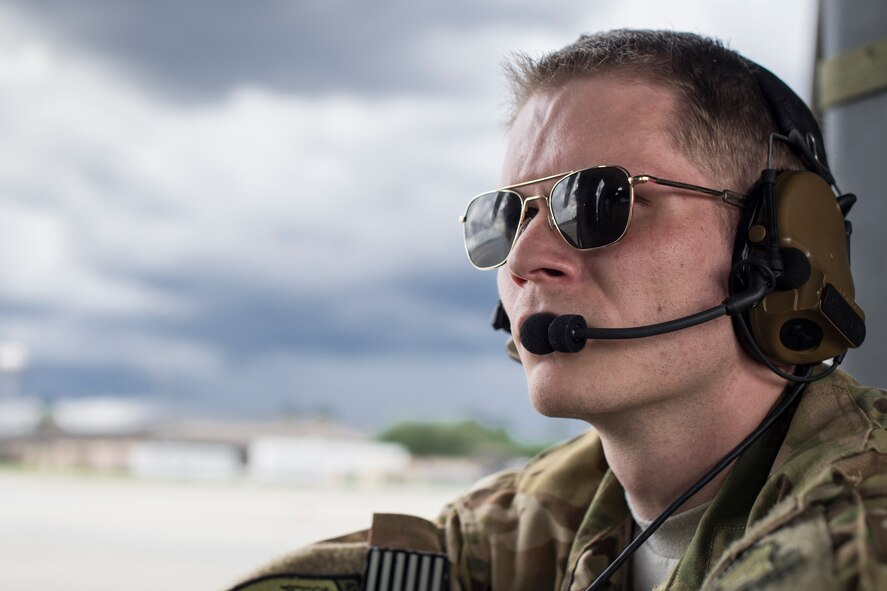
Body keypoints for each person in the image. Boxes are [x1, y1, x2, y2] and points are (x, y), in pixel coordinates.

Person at [229, 30, 887, 591]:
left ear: (775, 241)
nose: (521, 258)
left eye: (597, 201)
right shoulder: (542, 513)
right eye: (506, 216)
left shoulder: (858, 524)